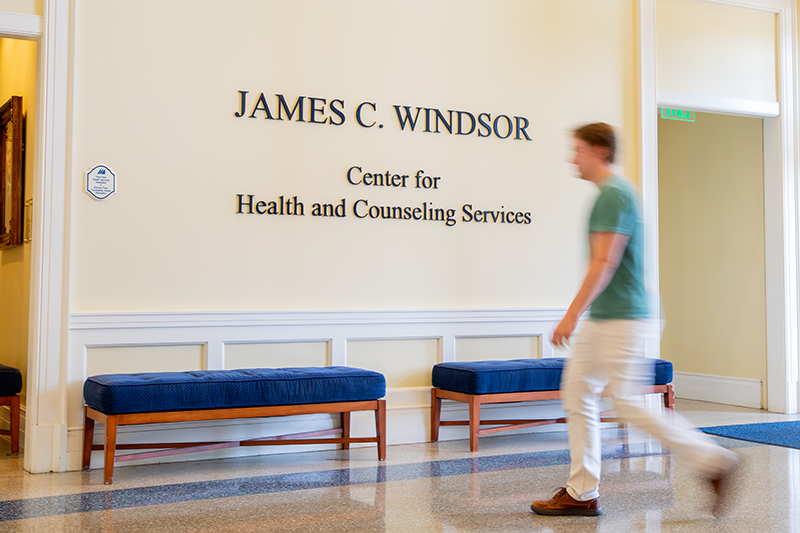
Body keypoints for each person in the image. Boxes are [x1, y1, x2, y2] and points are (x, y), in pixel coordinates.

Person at [530, 123, 738, 517]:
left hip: (621, 317)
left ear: (598, 151)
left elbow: (605, 261)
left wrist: (571, 314)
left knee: (628, 402)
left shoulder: (613, 194)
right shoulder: (613, 194)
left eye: (577, 150)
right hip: (608, 315)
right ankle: (581, 492)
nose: (571, 158)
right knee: (578, 393)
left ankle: (715, 461)